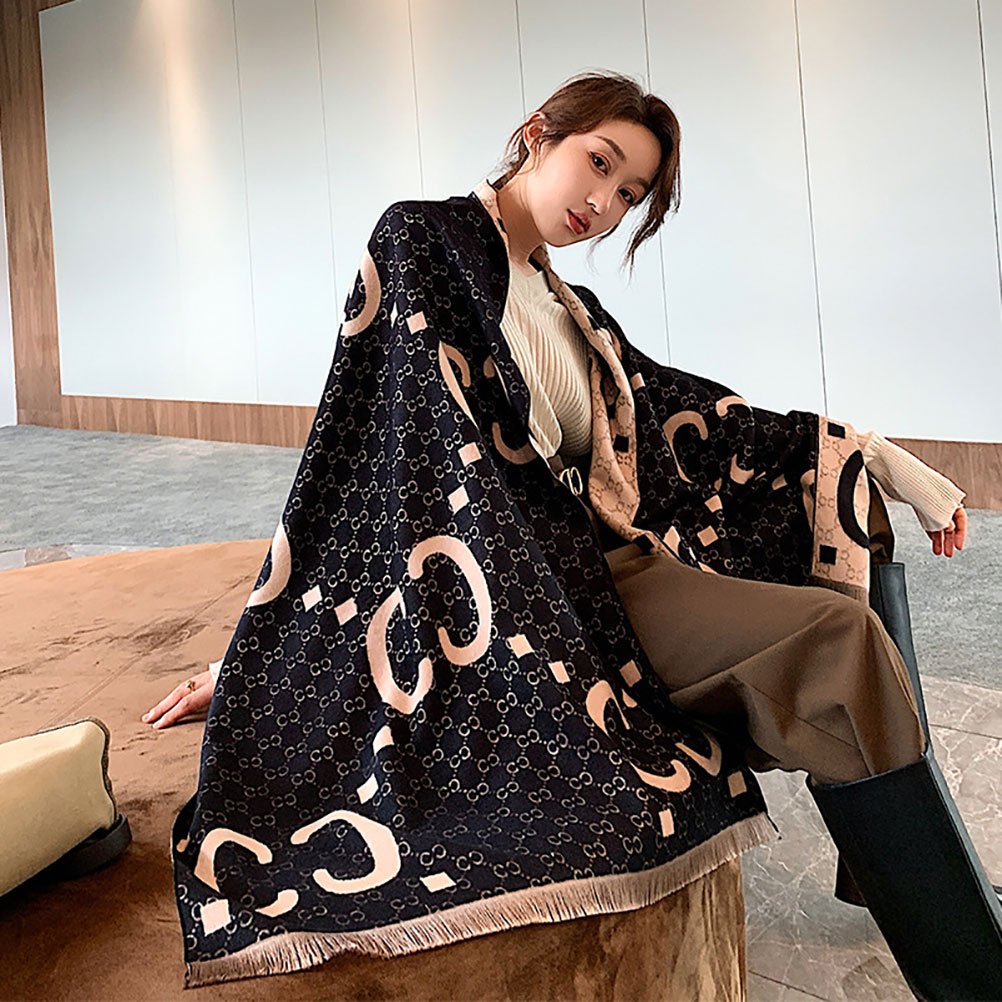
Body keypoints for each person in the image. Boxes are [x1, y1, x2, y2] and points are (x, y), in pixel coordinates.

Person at [142, 71, 1000, 999]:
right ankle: (971, 961)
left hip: (611, 568)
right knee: (840, 641)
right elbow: (371, 462)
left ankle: (930, 895)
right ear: (536, 134)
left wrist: (873, 455)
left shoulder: (571, 309)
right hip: (523, 595)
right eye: (598, 163)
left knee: (851, 571)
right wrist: (270, 655)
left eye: (629, 193)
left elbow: (691, 416)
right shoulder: (424, 240)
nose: (603, 202)